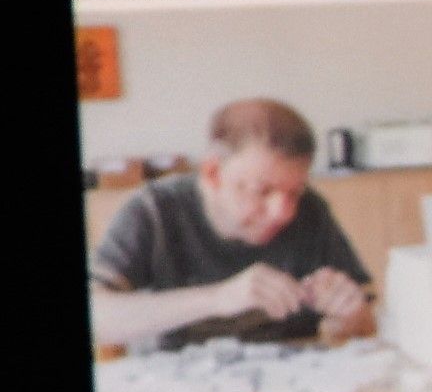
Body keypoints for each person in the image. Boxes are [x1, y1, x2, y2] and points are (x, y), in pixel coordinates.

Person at [88, 99, 373, 351]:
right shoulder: (155, 210)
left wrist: (349, 316)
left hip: (293, 380)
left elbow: (364, 323)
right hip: (184, 384)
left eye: (294, 193)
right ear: (213, 173)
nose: (282, 212)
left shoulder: (311, 210)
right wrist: (218, 298)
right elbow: (97, 318)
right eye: (261, 191)